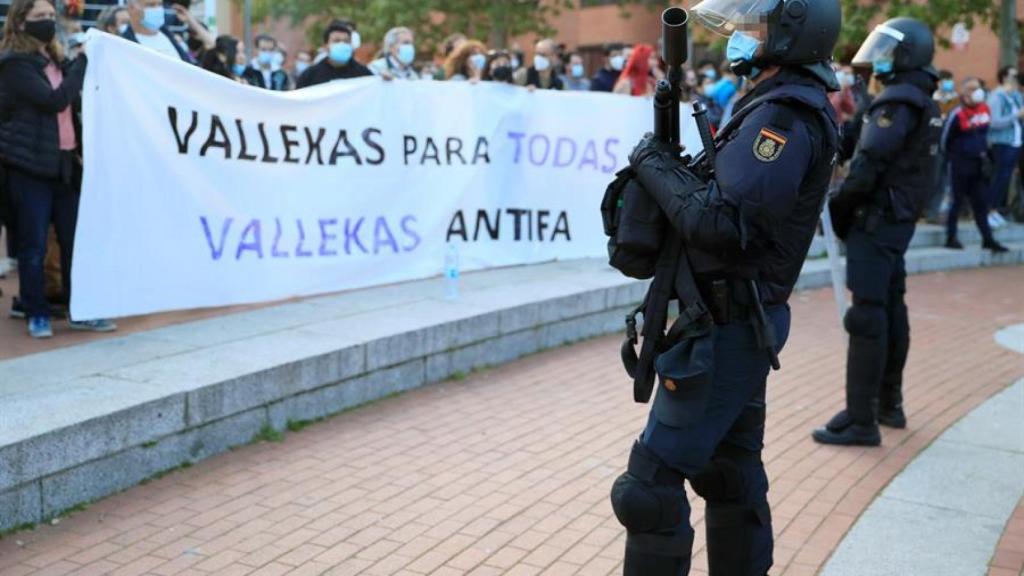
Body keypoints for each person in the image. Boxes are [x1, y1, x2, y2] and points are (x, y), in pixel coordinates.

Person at [608, 0, 842, 572]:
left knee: (647, 489)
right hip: (731, 319)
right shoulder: (773, 102)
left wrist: (653, 162)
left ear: (790, 34)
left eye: (752, 24)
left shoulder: (783, 117)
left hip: (727, 328)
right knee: (729, 473)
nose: (738, 32)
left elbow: (724, 224)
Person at [813, 18, 951, 448]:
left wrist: (837, 207)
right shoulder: (918, 99)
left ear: (906, 55)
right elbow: (859, 143)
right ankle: (887, 403)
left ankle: (861, 419)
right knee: (891, 307)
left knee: (867, 315)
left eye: (887, 51)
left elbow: (868, 165)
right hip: (897, 221)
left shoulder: (897, 103)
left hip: (877, 222)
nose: (879, 59)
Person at [0, 0, 117, 337]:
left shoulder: (53, 58)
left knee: (73, 243)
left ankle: (79, 310)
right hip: (30, 167)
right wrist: (82, 64)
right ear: (20, 22)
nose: (48, 21)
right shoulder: (14, 64)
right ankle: (36, 311)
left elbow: (74, 102)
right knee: (33, 245)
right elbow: (54, 101)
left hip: (64, 166)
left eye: (52, 16)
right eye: (40, 17)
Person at [942, 78, 1009, 252]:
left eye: (978, 88)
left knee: (981, 203)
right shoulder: (957, 113)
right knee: (956, 202)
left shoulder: (984, 110)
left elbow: (985, 135)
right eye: (971, 89)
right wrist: (954, 158)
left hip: (979, 164)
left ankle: (987, 239)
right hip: (960, 164)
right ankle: (951, 237)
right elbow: (945, 140)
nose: (976, 92)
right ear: (963, 92)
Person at [986, 66, 1024, 226]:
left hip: (1015, 142)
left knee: (1005, 178)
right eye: (1013, 76)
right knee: (999, 177)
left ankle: (995, 210)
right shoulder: (996, 96)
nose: (1016, 80)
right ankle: (988, 211)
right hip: (1002, 142)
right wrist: (1016, 115)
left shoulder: (1016, 96)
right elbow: (994, 122)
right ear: (1004, 77)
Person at [121, 0, 213, 63]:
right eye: (151, 5)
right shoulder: (125, 44)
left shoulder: (168, 35)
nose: (157, 9)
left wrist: (191, 21)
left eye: (160, 4)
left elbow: (214, 44)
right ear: (131, 9)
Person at [295, 20, 372, 89]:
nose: (342, 44)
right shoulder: (310, 76)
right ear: (325, 46)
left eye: (346, 41)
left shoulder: (363, 74)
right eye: (336, 41)